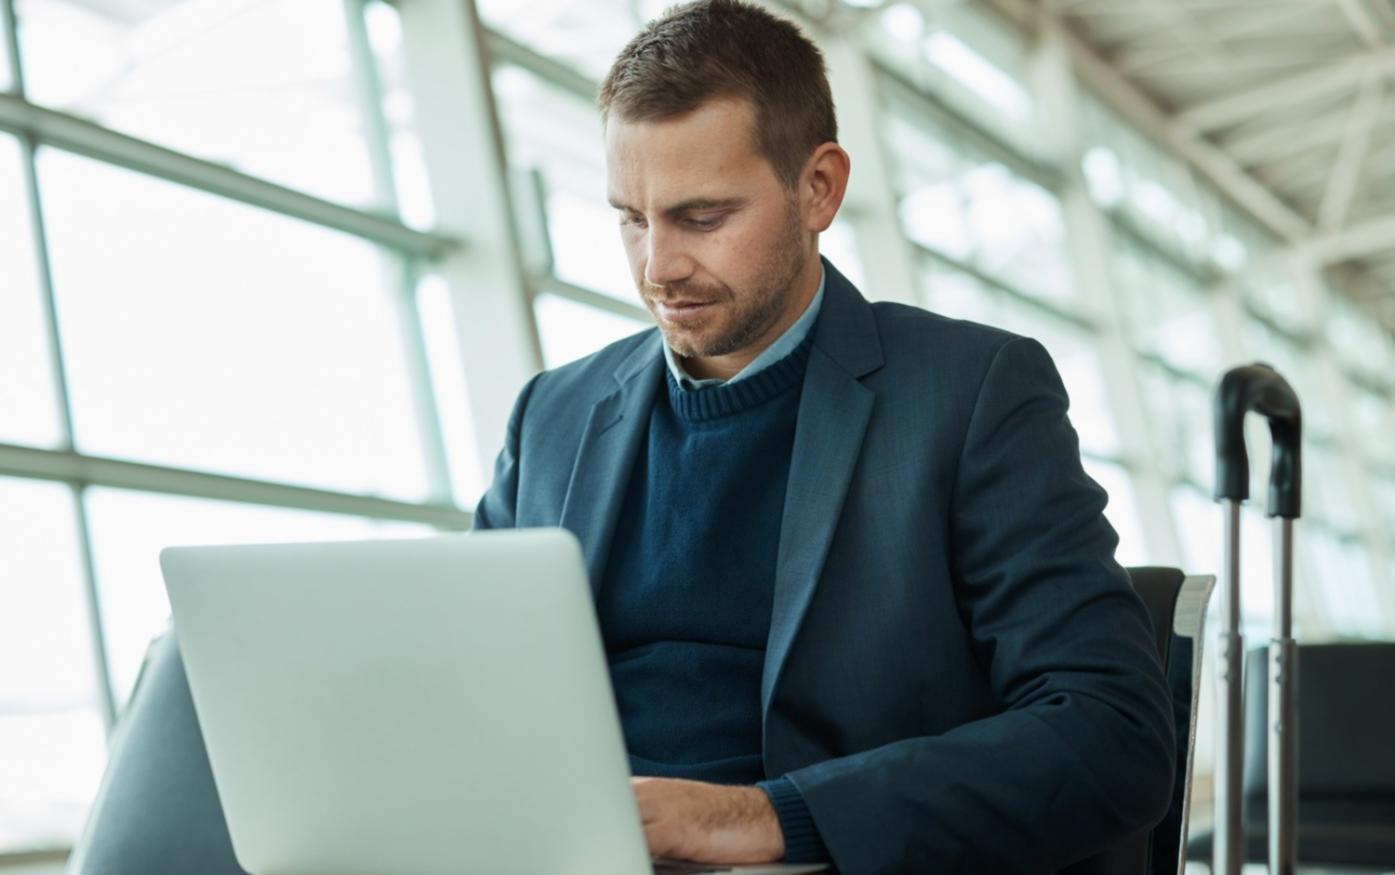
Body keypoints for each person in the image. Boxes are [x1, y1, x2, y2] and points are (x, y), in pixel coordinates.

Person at [470, 1, 1175, 872]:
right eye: (631, 217)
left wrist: (762, 818)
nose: (658, 267)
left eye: (702, 217)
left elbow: (1111, 736)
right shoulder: (552, 415)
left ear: (819, 189)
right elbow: (474, 692)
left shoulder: (970, 393)